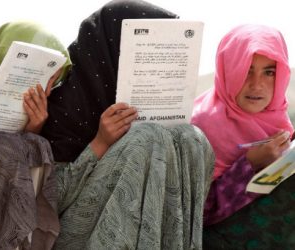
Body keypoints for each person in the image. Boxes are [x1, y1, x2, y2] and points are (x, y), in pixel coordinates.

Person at [39, 0, 214, 249]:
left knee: (192, 137)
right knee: (145, 138)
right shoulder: (67, 105)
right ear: (112, 47)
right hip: (78, 234)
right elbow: (49, 202)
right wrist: (99, 144)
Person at [0, 21, 71, 249]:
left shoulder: (40, 122)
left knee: (32, 145)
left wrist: (29, 131)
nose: (42, 91)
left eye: (51, 82)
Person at [191, 24, 295, 249]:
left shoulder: (278, 119)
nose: (256, 84)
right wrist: (249, 164)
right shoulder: (199, 127)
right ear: (228, 69)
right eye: (246, 69)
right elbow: (196, 213)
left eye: (269, 72)